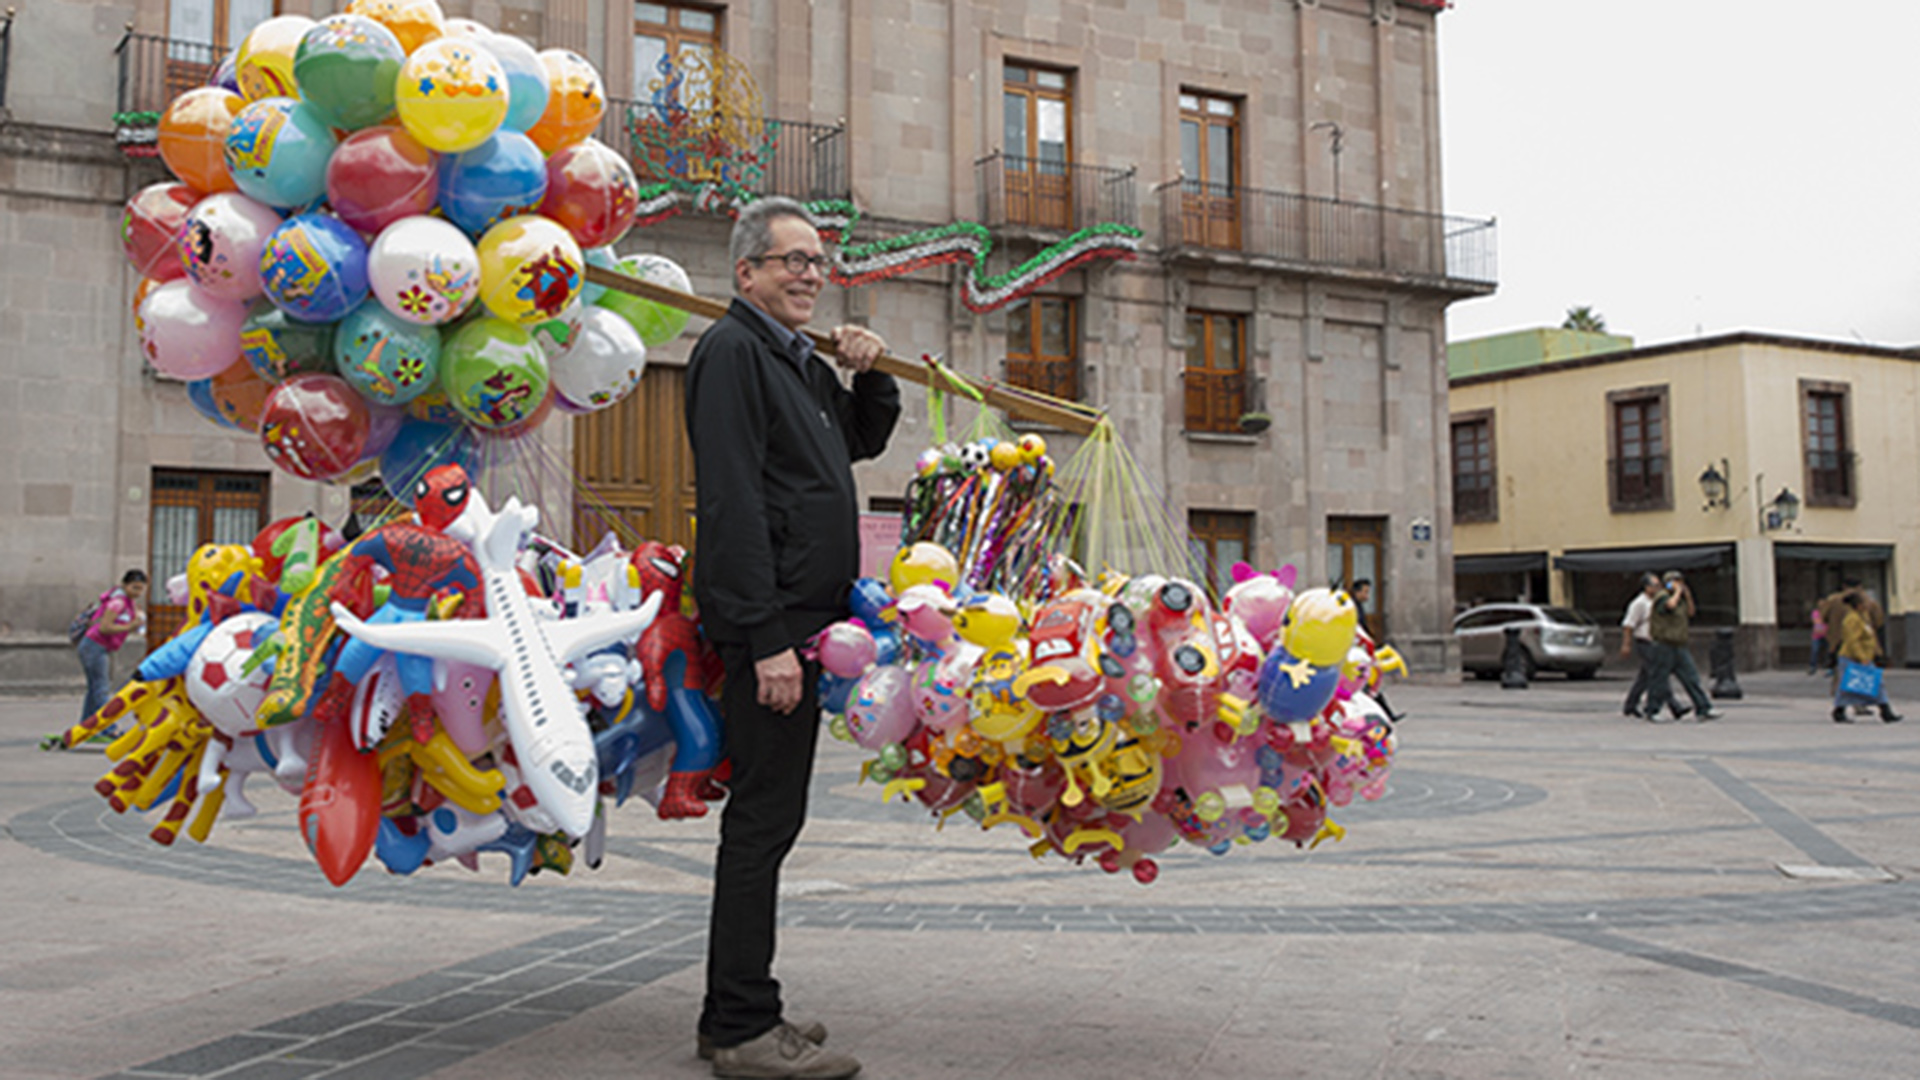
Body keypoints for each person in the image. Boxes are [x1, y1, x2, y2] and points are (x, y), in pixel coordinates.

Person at [684, 195, 899, 1080]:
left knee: (776, 821)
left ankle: (743, 1009)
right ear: (747, 274)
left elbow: (856, 441)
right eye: (791, 261)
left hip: (810, 628)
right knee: (762, 826)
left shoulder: (794, 358)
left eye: (817, 261)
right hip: (773, 634)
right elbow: (732, 501)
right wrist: (766, 639)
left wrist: (868, 370)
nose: (811, 273)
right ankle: (739, 1028)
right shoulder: (732, 353)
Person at [76, 570, 149, 735]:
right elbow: (105, 627)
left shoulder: (129, 603)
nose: (137, 592)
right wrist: (130, 626)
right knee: (101, 688)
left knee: (95, 688)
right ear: (124, 585)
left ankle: (86, 726)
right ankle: (108, 729)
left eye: (141, 589)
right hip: (94, 646)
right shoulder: (117, 602)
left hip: (100, 648)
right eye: (134, 587)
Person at [1642, 570, 1721, 723]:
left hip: (1679, 645)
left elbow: (1691, 612)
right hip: (1663, 645)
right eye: (1674, 582)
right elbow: (1669, 606)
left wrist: (1688, 595)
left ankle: (1703, 708)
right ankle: (1652, 710)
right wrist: (1677, 592)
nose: (1677, 584)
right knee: (1659, 679)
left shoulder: (1681, 600)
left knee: (1691, 677)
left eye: (1679, 581)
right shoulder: (1662, 597)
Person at [1831, 592, 1902, 723]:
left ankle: (1885, 711)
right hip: (1852, 657)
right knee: (1848, 686)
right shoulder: (1852, 619)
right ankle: (1839, 710)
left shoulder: (1862, 617)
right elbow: (1852, 640)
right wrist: (1861, 657)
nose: (1868, 604)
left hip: (1863, 656)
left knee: (1874, 684)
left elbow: (1870, 636)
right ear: (1858, 605)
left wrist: (1876, 653)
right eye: (1865, 602)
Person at [1347, 579, 1404, 722]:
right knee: (1368, 686)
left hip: (1361, 651)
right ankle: (1383, 715)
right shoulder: (1351, 608)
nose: (1367, 596)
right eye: (1365, 592)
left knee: (1370, 686)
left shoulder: (1357, 606)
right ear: (1357, 592)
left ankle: (1387, 714)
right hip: (1355, 654)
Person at [1618, 573, 1662, 718]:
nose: (1658, 588)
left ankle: (1630, 704)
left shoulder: (1658, 601)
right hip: (1644, 641)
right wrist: (1626, 645)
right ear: (1646, 587)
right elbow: (1628, 625)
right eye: (1654, 585)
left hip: (1656, 641)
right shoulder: (1639, 603)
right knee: (1656, 674)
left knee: (1644, 677)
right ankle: (1674, 705)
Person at [1807, 602, 1828, 676]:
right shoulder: (1816, 612)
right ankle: (1813, 666)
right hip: (1817, 635)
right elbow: (1816, 622)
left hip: (1826, 635)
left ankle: (1827, 666)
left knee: (1828, 651)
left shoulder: (1828, 612)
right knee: (1814, 651)